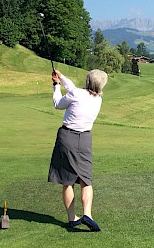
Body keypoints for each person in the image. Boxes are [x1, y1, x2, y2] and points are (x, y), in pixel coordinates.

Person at [48, 69, 108, 231]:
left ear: (87, 81)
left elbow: (58, 104)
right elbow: (74, 90)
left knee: (68, 181)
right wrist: (62, 77)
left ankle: (72, 218)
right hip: (85, 139)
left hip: (67, 137)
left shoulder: (76, 94)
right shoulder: (98, 99)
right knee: (85, 180)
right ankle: (87, 214)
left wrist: (56, 85)